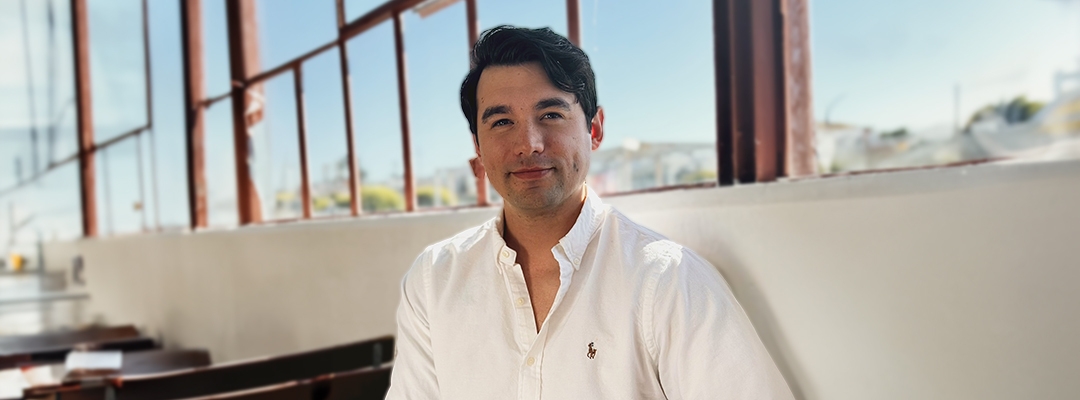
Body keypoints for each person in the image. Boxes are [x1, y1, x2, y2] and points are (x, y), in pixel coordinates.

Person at [386, 25, 794, 399]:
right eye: (501, 121)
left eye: (551, 115)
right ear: (478, 146)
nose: (528, 144)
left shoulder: (666, 281)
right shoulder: (434, 278)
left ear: (594, 129)